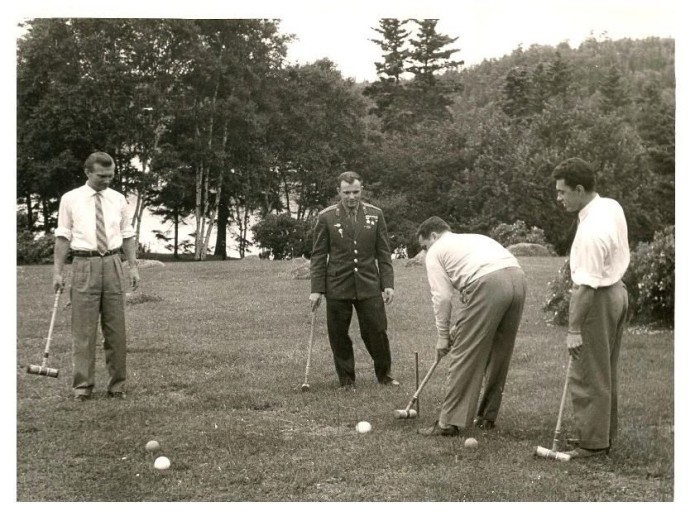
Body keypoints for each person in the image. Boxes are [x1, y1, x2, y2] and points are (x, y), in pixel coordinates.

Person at [416, 216, 526, 437]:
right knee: (499, 351)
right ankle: (486, 417)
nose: (425, 252)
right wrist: (459, 327)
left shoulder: (436, 251)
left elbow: (442, 297)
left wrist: (443, 336)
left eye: (424, 246)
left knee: (464, 355)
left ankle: (449, 423)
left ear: (433, 236)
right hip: (518, 278)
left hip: (489, 283)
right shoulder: (473, 238)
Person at [553, 157, 629, 458]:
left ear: (579, 190)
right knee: (604, 370)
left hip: (598, 298)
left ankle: (592, 444)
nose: (559, 198)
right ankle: (601, 435)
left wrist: (574, 330)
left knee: (588, 372)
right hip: (617, 293)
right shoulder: (609, 205)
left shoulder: (590, 232)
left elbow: (584, 288)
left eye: (562, 192)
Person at [53, 151, 140, 401]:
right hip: (84, 264)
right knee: (84, 331)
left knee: (116, 330)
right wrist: (57, 272)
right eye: (102, 176)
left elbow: (127, 234)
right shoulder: (70, 199)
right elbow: (63, 236)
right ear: (87, 172)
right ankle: (83, 387)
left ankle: (117, 386)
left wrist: (132, 266)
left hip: (113, 263)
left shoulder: (118, 199)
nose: (107, 180)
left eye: (111, 175)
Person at [309, 171, 399, 390]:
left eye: (356, 192)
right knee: (338, 334)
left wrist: (387, 284)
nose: (351, 197)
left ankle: (385, 376)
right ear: (338, 192)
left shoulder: (375, 215)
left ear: (362, 190)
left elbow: (383, 252)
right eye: (347, 192)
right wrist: (317, 289)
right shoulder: (326, 217)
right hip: (338, 285)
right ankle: (347, 381)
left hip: (369, 284)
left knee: (377, 331)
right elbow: (319, 255)